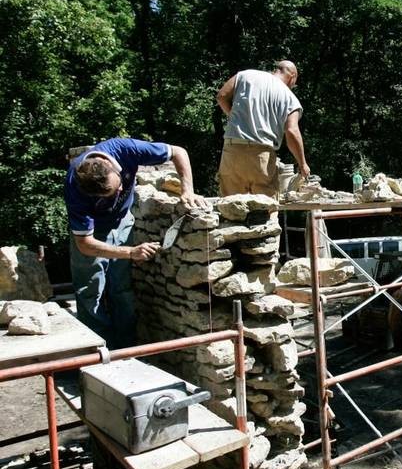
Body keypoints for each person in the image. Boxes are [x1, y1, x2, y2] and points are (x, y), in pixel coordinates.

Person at [64, 138, 208, 348]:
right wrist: (130, 252)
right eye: (111, 193)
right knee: (89, 291)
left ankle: (126, 349)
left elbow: (179, 151)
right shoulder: (74, 187)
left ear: (112, 165)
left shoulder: (126, 149)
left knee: (121, 288)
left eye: (119, 183)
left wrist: (188, 190)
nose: (122, 189)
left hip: (123, 220)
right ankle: (98, 352)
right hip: (93, 233)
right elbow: (85, 243)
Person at [215, 60, 310, 198]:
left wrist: (233, 116)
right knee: (266, 211)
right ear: (293, 77)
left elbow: (221, 96)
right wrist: (302, 164)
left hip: (232, 150)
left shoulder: (246, 75)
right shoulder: (290, 98)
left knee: (230, 209)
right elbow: (292, 131)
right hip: (261, 156)